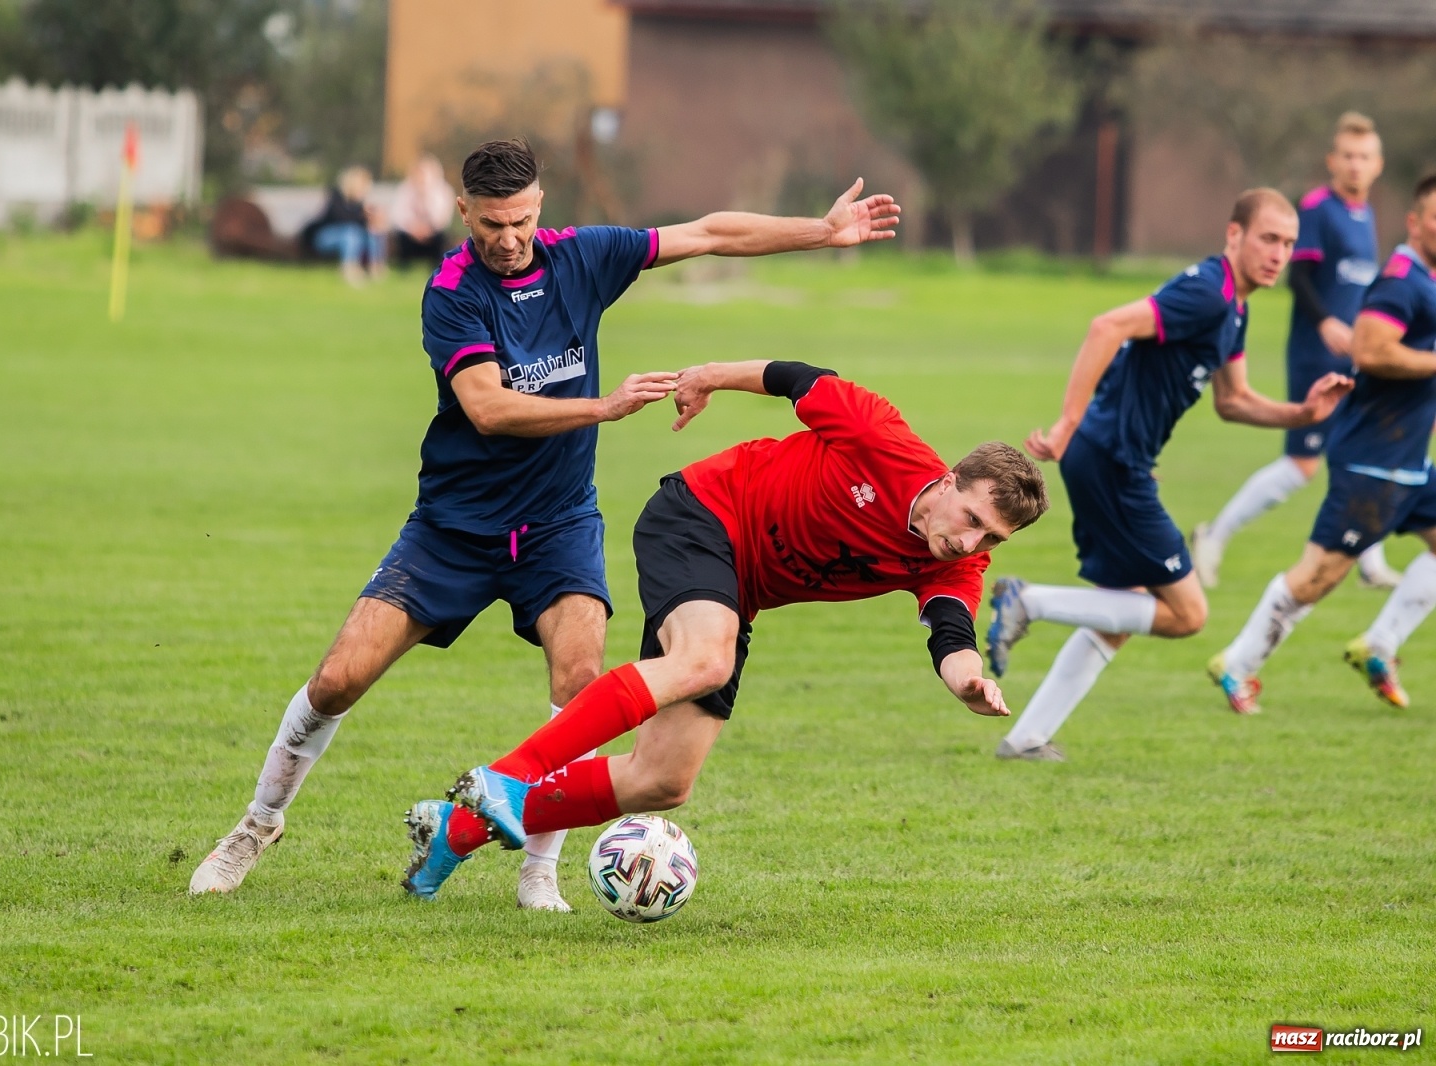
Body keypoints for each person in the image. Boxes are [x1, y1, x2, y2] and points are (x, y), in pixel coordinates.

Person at [189, 139, 902, 910]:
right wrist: (605, 406)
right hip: (453, 528)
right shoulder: (452, 291)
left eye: (521, 220)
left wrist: (821, 231)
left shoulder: (581, 258)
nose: (508, 238)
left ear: (540, 206)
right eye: (491, 224)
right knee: (338, 680)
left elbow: (706, 232)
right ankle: (257, 825)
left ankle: (538, 871)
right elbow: (488, 408)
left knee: (581, 684)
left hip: (559, 525)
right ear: (464, 212)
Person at [398, 360, 1051, 900]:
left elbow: (950, 632)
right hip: (703, 513)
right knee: (706, 660)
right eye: (971, 519)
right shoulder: (881, 436)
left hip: (738, 592)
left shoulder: (958, 561)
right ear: (948, 482)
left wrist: (969, 682)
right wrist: (708, 376)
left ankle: (455, 832)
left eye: (991, 537)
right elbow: (794, 378)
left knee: (663, 780)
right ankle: (508, 775)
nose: (970, 542)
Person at [984, 189, 1354, 761]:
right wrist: (1065, 425)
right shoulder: (1208, 294)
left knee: (1124, 606)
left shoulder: (1235, 307)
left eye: (1288, 243)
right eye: (1268, 239)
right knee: (1187, 614)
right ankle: (1028, 601)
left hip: (1116, 459)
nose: (1279, 254)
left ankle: (1026, 738)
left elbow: (1233, 400)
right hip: (1111, 459)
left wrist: (1302, 415)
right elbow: (1107, 326)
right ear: (1234, 235)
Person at [1208, 176, 1436, 713]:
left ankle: (1380, 645)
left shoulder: (1428, 282)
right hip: (1371, 463)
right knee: (1317, 577)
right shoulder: (1401, 282)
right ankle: (1236, 663)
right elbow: (1370, 350)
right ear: (1414, 222)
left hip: (1408, 461)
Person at [1193, 114, 1398, 588]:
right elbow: (1300, 276)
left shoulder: (1365, 214)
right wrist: (1325, 321)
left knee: (1366, 446)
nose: (1355, 164)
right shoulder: (1318, 209)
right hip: (1316, 356)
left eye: (1364, 157)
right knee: (1302, 465)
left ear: (1378, 165)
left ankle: (1370, 563)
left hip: (1355, 356)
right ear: (1332, 160)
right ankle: (1214, 534)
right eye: (1347, 155)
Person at [302, 165, 387, 286]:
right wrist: (362, 214)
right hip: (324, 238)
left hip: (352, 237)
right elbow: (340, 217)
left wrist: (374, 220)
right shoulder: (336, 197)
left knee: (373, 231)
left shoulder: (359, 205)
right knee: (350, 232)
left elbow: (362, 224)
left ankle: (376, 267)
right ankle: (348, 269)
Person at [391, 154, 456, 272]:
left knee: (443, 238)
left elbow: (442, 218)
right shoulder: (404, 189)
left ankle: (437, 265)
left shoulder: (443, 191)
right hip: (410, 233)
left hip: (432, 233)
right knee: (399, 237)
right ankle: (403, 266)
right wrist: (413, 228)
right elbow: (398, 216)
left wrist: (426, 198)